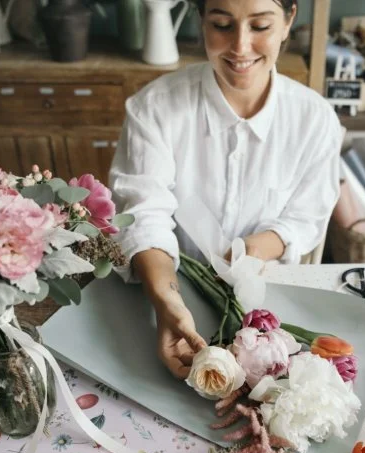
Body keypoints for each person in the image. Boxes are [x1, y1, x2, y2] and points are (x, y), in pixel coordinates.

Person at [109, 0, 342, 380]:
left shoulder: (314, 119)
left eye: (261, 26)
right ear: (200, 20)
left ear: (288, 21)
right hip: (166, 295)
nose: (240, 46)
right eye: (222, 24)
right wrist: (167, 299)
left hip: (270, 307)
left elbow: (307, 217)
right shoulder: (154, 109)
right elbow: (143, 213)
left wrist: (258, 247)